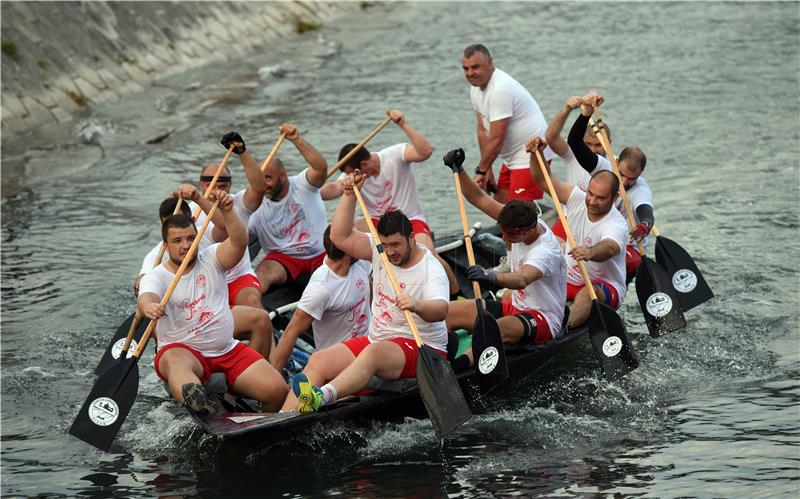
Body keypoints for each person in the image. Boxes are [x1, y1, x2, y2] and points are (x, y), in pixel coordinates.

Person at [280, 173, 450, 414]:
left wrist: (417, 305)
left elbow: (441, 310)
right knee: (318, 361)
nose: (389, 252)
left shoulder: (430, 269)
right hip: (378, 340)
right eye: (386, 245)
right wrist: (348, 196)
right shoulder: (378, 249)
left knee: (372, 353)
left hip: (422, 347)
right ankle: (279, 420)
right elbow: (339, 236)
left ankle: (322, 396)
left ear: (411, 238)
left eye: (396, 245)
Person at [138, 190, 288, 415]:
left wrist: (228, 211)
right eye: (177, 241)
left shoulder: (212, 257)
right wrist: (149, 306)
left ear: (198, 236)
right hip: (185, 352)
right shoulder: (157, 275)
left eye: (190, 238)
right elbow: (146, 296)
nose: (186, 246)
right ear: (166, 247)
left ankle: (258, 421)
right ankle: (197, 401)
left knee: (278, 391)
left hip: (227, 349)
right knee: (174, 360)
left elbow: (239, 242)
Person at [441, 149, 567, 368]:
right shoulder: (518, 221)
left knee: (495, 329)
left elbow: (521, 279)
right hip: (515, 306)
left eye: (511, 235)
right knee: (447, 311)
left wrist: (489, 275)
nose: (505, 238)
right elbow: (478, 198)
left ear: (528, 231)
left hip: (543, 319)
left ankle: (459, 367)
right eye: (503, 232)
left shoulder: (544, 251)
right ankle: (438, 354)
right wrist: (458, 169)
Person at [320, 109, 460, 297]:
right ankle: (335, 282)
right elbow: (333, 189)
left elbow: (425, 152)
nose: (348, 177)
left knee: (429, 257)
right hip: (377, 222)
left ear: (362, 166)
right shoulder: (351, 174)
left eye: (351, 173)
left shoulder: (393, 155)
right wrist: (310, 188)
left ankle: (456, 294)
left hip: (410, 219)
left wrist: (403, 124)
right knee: (336, 232)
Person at [527, 137, 629, 328]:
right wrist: (536, 154)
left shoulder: (616, 225)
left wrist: (590, 252)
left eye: (601, 198)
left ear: (614, 198)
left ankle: (562, 329)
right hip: (569, 278)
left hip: (604, 287)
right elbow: (542, 179)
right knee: (521, 288)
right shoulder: (576, 198)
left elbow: (609, 247)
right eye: (591, 194)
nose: (592, 201)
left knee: (589, 294)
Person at [226, 124, 328, 296]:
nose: (262, 185)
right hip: (285, 260)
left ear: (282, 176)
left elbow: (320, 168)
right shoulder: (252, 201)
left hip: (321, 254)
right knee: (263, 271)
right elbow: (232, 232)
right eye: (259, 179)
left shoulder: (302, 185)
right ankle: (254, 310)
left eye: (267, 178)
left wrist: (296, 139)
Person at [564, 93, 654, 277]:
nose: (624, 182)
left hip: (627, 246)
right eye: (621, 174)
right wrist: (585, 114)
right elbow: (574, 141)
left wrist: (645, 225)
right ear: (617, 162)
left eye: (631, 178)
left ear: (639, 176)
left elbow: (646, 212)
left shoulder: (640, 189)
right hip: (596, 232)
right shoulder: (605, 166)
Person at [270, 225, 372, 373]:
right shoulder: (320, 289)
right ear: (349, 249)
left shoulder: (360, 263)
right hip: (339, 364)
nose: (364, 241)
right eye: (359, 238)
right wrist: (275, 381)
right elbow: (289, 335)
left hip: (369, 346)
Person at [461, 43, 552, 203]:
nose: (470, 73)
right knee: (501, 208)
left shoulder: (500, 90)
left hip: (531, 155)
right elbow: (483, 129)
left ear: (490, 62)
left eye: (475, 67)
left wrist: (480, 171)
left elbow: (497, 138)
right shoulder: (475, 87)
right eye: (466, 69)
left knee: (519, 217)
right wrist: (487, 168)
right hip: (511, 157)